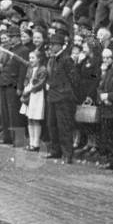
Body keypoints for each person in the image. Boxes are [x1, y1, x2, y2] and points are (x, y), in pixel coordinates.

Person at [44, 31, 78, 162]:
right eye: (51, 44)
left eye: (54, 45)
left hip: (63, 98)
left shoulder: (66, 59)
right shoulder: (52, 59)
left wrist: (65, 91)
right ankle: (55, 150)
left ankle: (67, 153)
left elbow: (74, 79)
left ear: (60, 46)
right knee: (51, 124)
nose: (51, 47)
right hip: (52, 96)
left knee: (64, 126)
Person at [21, 49, 47, 152]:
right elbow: (27, 79)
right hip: (29, 93)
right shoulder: (30, 69)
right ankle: (31, 142)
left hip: (37, 95)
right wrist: (25, 87)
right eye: (30, 58)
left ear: (39, 59)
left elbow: (41, 83)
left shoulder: (42, 69)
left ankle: (36, 143)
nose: (30, 60)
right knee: (29, 118)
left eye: (33, 58)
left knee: (35, 118)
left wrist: (30, 89)